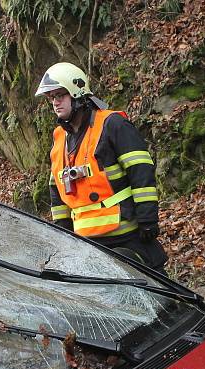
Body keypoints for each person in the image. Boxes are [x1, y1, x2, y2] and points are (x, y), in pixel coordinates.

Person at [35, 62, 168, 274]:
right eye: (51, 98)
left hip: (126, 235)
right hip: (87, 243)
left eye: (60, 95)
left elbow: (140, 170)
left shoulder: (112, 124)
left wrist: (147, 219)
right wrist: (63, 230)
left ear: (77, 95)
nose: (55, 102)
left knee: (162, 295)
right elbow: (56, 188)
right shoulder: (59, 137)